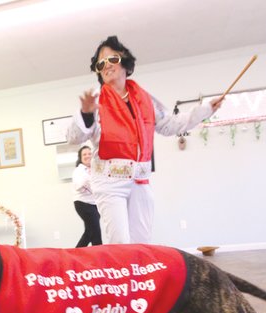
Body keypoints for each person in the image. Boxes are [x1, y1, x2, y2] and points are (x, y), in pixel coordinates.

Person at [67, 35, 223, 244]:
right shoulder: (97, 101)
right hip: (109, 182)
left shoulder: (144, 99)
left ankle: (141, 278)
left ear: (125, 63)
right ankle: (122, 277)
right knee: (120, 243)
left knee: (142, 242)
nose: (106, 66)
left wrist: (204, 110)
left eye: (112, 59)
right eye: (100, 64)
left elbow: (169, 125)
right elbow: (73, 137)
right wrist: (86, 113)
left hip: (140, 180)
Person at [71, 145, 102, 247]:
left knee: (89, 232)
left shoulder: (95, 169)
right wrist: (89, 179)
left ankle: (75, 255)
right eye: (84, 154)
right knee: (96, 233)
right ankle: (100, 257)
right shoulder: (79, 170)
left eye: (89, 153)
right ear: (80, 157)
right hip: (83, 203)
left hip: (94, 204)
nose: (87, 156)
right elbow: (78, 185)